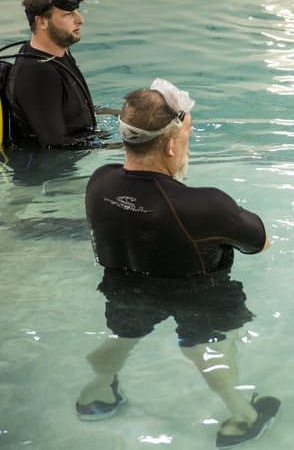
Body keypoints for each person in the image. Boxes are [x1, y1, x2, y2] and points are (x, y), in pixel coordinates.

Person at [78, 79, 279, 448]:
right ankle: (242, 416)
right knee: (206, 350)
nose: (188, 142)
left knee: (125, 335)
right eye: (187, 135)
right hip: (200, 292)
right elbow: (261, 242)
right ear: (170, 144)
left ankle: (96, 392)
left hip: (125, 286)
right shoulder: (205, 205)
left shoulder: (99, 182)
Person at [4, 0, 100, 148]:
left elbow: (70, 107)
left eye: (77, 12)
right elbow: (55, 143)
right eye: (68, 14)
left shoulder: (58, 54)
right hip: (45, 168)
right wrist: (118, 147)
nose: (80, 20)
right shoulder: (37, 72)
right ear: (41, 22)